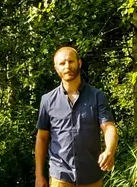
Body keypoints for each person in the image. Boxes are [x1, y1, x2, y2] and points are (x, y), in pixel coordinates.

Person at [35, 45, 117, 187]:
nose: (67, 66)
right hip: (60, 177)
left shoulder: (97, 96)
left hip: (91, 176)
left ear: (79, 63)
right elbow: (42, 138)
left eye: (71, 61)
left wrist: (109, 150)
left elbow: (108, 127)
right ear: (56, 68)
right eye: (62, 63)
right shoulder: (47, 100)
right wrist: (39, 175)